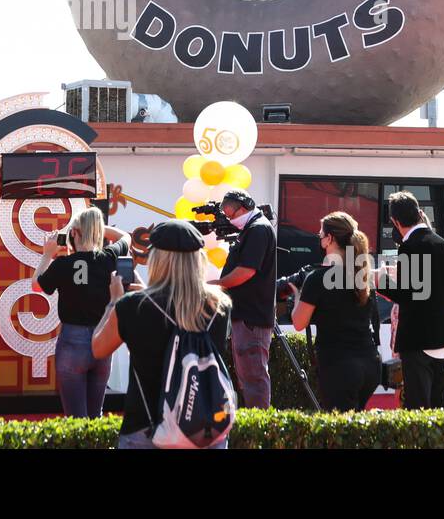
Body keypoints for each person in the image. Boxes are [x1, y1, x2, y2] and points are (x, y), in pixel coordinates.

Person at [92, 221, 231, 449]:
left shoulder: (132, 306)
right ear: (198, 259)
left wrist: (114, 302)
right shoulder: (219, 306)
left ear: (156, 259)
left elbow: (98, 349)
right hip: (201, 429)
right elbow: (176, 314)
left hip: (145, 429)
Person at [35, 206, 132, 417]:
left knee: (75, 419)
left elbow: (36, 285)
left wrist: (47, 255)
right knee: (95, 415)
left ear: (74, 233)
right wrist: (97, 227)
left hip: (71, 341)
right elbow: (126, 237)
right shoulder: (108, 256)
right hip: (102, 339)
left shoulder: (62, 264)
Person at [287, 211, 381, 411]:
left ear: (329, 239)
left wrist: (297, 296)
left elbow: (299, 323)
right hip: (370, 364)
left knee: (338, 435)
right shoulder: (363, 275)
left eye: (321, 234)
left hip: (340, 366)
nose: (319, 237)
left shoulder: (317, 278)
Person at [378, 191, 444, 409]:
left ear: (395, 221)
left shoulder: (409, 247)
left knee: (418, 408)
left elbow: (405, 296)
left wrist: (381, 281)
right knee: (441, 408)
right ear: (418, 213)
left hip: (417, 339)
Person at [209, 189, 276, 408]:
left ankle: (259, 428)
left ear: (244, 207)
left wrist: (214, 286)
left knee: (253, 377)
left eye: (231, 215)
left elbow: (246, 271)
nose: (230, 220)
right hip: (246, 316)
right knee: (247, 377)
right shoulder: (252, 229)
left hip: (251, 318)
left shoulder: (258, 230)